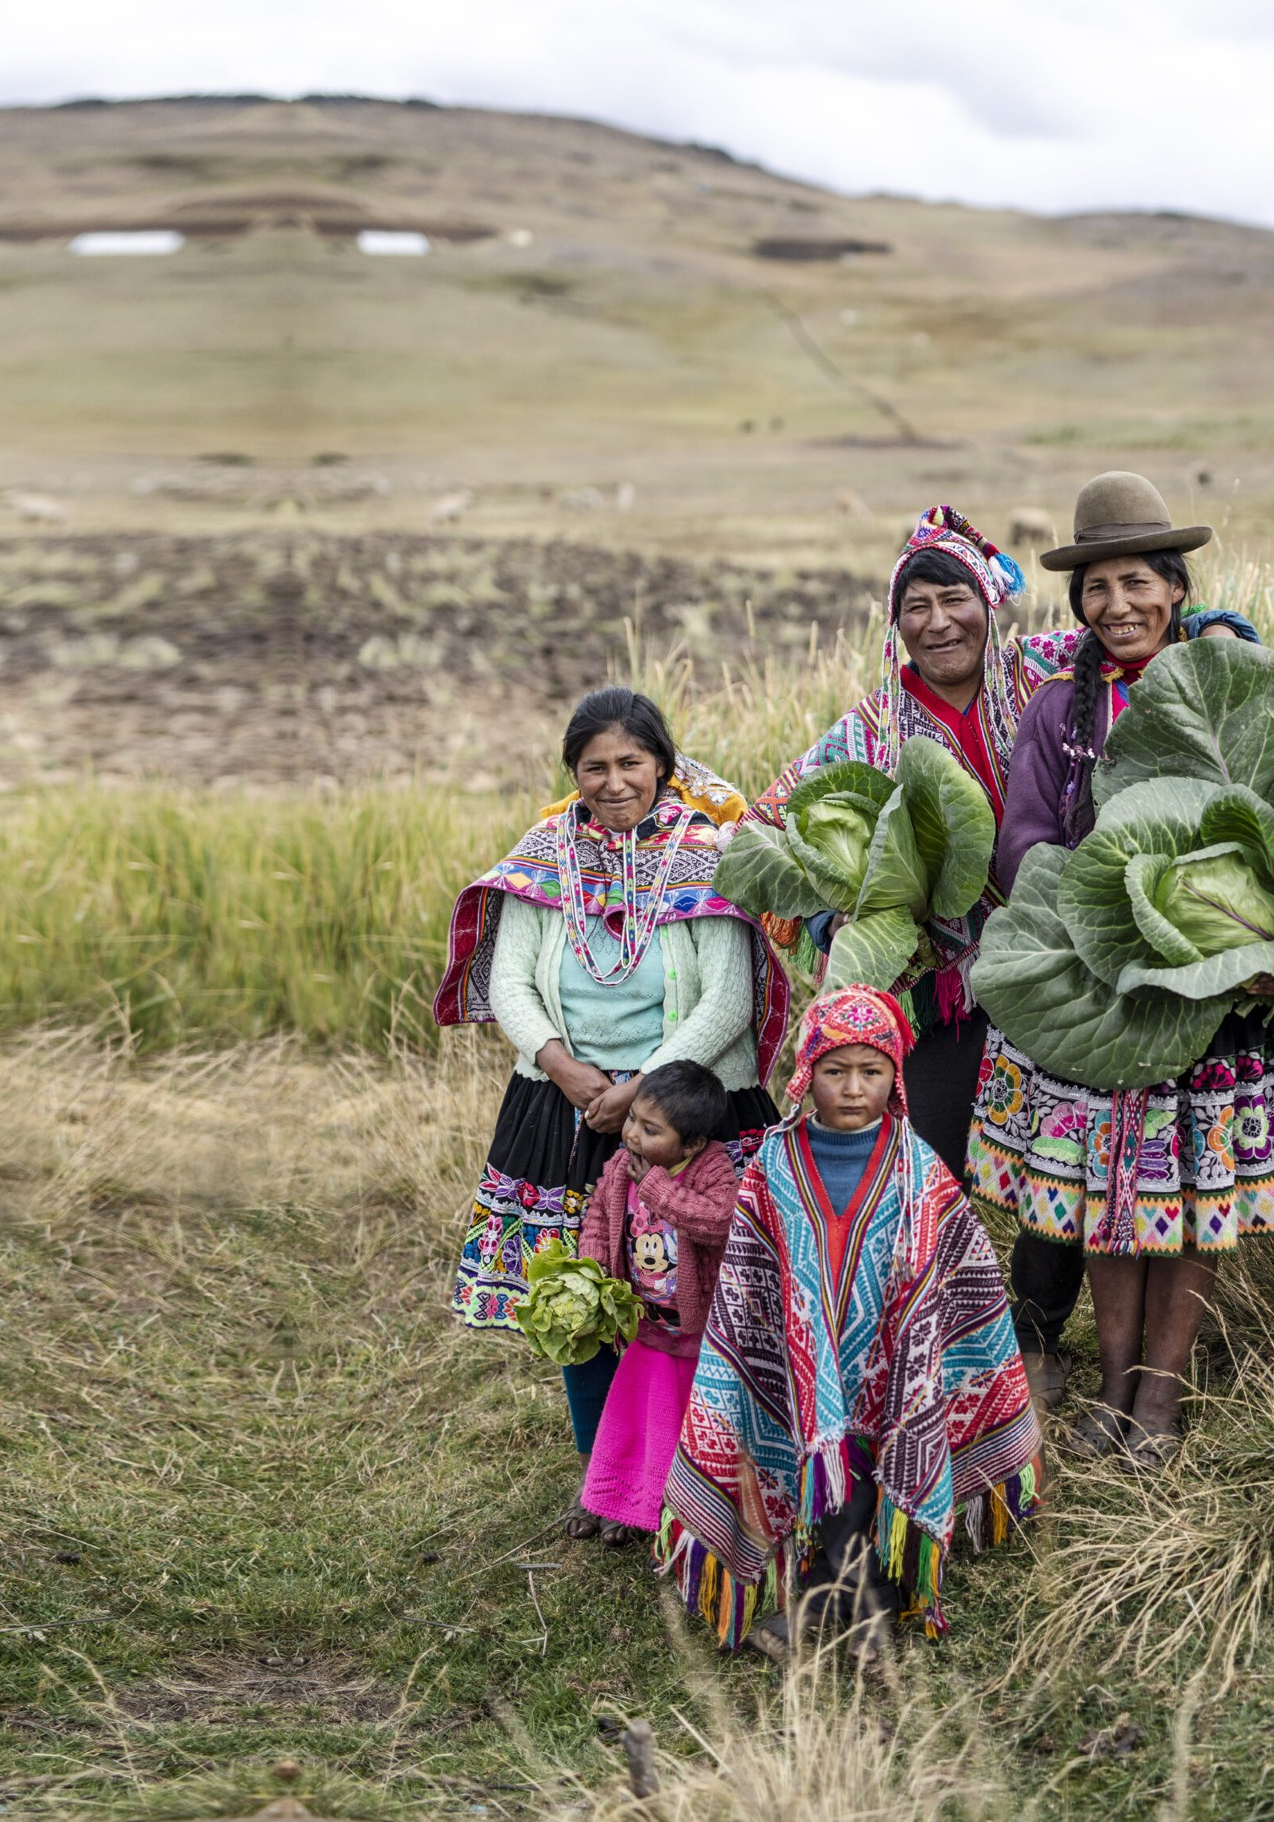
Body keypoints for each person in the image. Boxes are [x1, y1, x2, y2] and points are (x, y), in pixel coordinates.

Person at [747, 505, 1254, 1413]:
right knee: (931, 1162)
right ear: (894, 624)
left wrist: (1218, 630)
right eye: (917, 608)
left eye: (956, 599)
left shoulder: (1048, 669)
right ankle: (934, 1335)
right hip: (945, 986)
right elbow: (770, 827)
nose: (939, 622)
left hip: (1063, 968)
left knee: (1061, 1161)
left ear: (992, 603)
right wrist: (850, 922)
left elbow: (1139, 628)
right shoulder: (868, 728)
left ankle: (1033, 1325)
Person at [966, 473, 1274, 1469]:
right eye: (1096, 588)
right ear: (1079, 602)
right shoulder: (1061, 708)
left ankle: (1161, 1396)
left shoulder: (1230, 675)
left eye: (1137, 582)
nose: (1118, 605)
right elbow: (1021, 845)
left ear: (1175, 588)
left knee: (1193, 1189)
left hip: (1222, 980)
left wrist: (1271, 939)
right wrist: (1108, 905)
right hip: (1106, 989)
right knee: (1111, 1195)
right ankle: (1108, 1388)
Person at [435, 686, 789, 1532]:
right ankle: (604, 1479)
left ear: (663, 765)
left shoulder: (708, 853)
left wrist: (642, 1090)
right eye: (594, 766)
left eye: (631, 763)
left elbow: (728, 998)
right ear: (574, 774)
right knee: (584, 1292)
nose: (614, 781)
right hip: (563, 1108)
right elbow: (512, 979)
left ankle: (708, 1474)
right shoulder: (544, 855)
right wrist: (566, 1070)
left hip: (693, 1111)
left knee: (702, 1291)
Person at [660, 985, 1040, 1666]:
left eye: (872, 1071)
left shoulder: (919, 1170)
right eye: (835, 1072)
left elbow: (960, 1269)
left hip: (893, 1371)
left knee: (870, 1459)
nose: (854, 1088)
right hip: (797, 1371)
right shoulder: (771, 1166)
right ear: (806, 1076)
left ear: (896, 1077)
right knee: (810, 1458)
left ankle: (856, 1598)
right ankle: (834, 1593)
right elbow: (749, 1273)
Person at [575, 1060, 738, 1547]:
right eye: (632, 1121)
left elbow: (719, 1221)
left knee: (684, 1424)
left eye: (650, 1129)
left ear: (690, 1143)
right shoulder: (620, 1167)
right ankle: (626, 1503)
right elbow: (599, 1218)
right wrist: (594, 1269)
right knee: (638, 1419)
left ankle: (687, 1516)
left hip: (695, 1332)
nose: (631, 1136)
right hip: (646, 1325)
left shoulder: (710, 1168)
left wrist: (658, 1189)